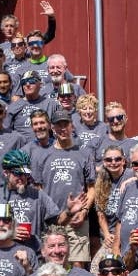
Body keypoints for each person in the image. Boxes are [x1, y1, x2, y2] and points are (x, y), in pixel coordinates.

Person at [34, 110, 96, 266]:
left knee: (77, 265)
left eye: (65, 124)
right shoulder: (42, 155)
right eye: (58, 125)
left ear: (72, 126)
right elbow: (38, 190)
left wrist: (84, 211)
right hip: (52, 220)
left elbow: (92, 188)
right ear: (52, 128)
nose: (62, 129)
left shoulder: (84, 153)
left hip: (77, 219)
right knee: (53, 265)